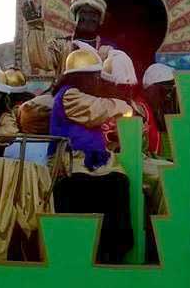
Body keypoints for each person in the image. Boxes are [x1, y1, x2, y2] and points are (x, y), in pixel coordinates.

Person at [50, 46, 134, 264]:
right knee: (86, 187)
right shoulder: (69, 95)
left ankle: (114, 251)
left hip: (93, 159)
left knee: (119, 182)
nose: (98, 80)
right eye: (94, 76)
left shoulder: (81, 93)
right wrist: (124, 106)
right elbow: (96, 110)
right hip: (71, 160)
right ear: (81, 77)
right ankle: (87, 252)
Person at [23, 0, 112, 77]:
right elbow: (41, 60)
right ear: (75, 18)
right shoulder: (62, 46)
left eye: (93, 14)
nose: (87, 18)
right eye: (83, 13)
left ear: (100, 20)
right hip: (67, 91)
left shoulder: (107, 50)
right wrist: (35, 27)